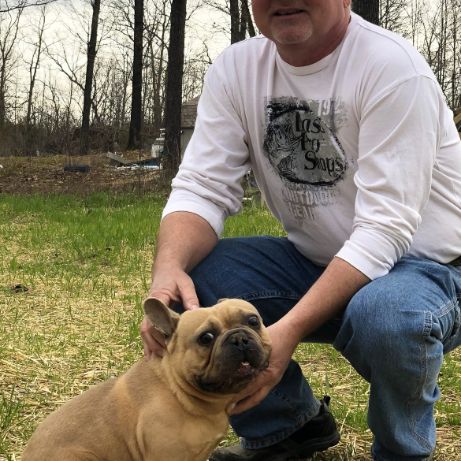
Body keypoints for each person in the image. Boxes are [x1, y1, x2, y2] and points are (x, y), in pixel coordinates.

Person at [141, 0, 461, 459]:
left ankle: (401, 450)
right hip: (317, 262)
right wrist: (169, 268)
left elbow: (384, 231)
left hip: (428, 272)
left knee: (387, 314)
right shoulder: (237, 70)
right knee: (200, 275)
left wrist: (282, 334)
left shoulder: (392, 68)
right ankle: (286, 430)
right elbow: (202, 188)